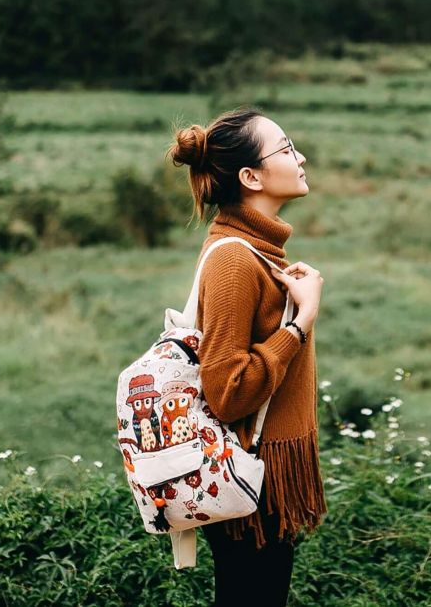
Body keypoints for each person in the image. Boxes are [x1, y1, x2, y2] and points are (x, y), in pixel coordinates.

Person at [167, 107, 326, 607]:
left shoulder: (258, 251)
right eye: (285, 149)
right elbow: (227, 390)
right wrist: (301, 322)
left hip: (263, 471)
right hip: (248, 470)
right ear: (250, 175)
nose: (299, 158)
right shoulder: (235, 259)